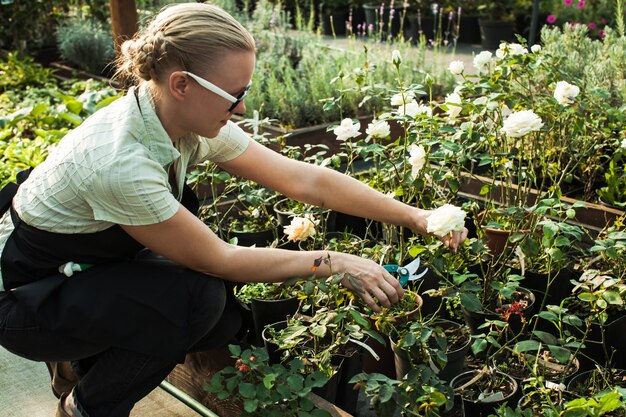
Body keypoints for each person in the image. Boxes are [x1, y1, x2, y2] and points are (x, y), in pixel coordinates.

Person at [0, 3, 468, 417]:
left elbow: (304, 179)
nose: (242, 108)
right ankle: (86, 405)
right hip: (26, 299)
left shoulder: (175, 114)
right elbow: (219, 259)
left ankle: (76, 365)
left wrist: (416, 216)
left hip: (84, 267)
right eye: (234, 94)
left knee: (218, 314)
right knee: (195, 301)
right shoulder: (120, 162)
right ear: (181, 84)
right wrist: (335, 263)